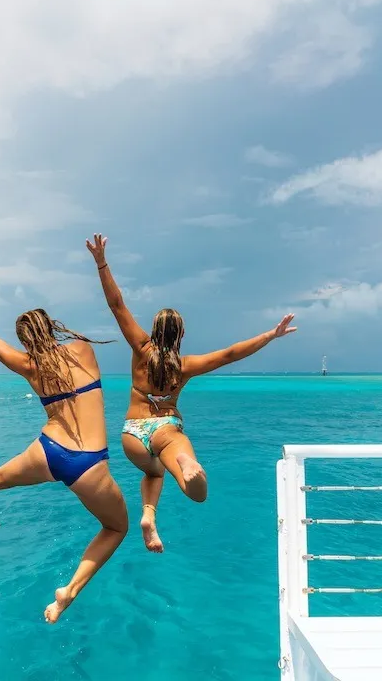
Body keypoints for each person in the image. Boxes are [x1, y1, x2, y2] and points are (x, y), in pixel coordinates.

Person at [0, 292, 128, 623]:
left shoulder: (28, 366)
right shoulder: (83, 351)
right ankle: (69, 592)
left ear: (25, 340)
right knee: (116, 527)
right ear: (51, 328)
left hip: (49, 450)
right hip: (89, 462)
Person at [85, 234, 296, 553]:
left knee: (153, 471)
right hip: (164, 431)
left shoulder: (140, 348)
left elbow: (117, 305)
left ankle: (148, 517)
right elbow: (231, 354)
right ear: (181, 334)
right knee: (197, 492)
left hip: (131, 435)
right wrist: (270, 334)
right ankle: (185, 462)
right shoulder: (184, 366)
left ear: (155, 329)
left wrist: (101, 261)